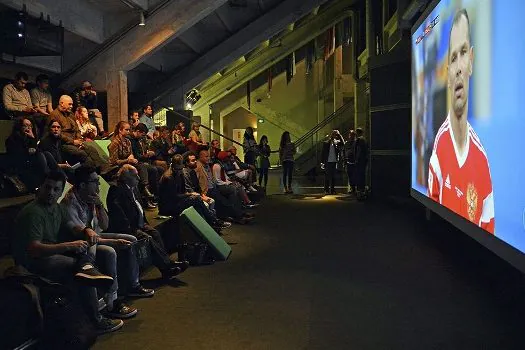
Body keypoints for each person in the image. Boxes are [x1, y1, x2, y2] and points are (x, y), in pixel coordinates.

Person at [11, 171, 124, 334]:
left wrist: (86, 230)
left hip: (51, 253)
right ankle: (96, 320)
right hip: (31, 262)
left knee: (99, 254)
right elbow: (34, 249)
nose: (51, 192)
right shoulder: (33, 212)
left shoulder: (57, 208)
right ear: (39, 188)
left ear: (61, 191)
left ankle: (110, 301)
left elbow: (72, 226)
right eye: (47, 187)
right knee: (80, 271)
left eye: (56, 189)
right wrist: (69, 245)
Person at [427, 9, 494, 233]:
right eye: (453, 57)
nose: (458, 68)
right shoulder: (438, 149)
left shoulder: (482, 162)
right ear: (447, 73)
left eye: (463, 52)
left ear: (472, 61)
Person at [61, 166, 153, 319]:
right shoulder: (70, 203)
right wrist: (113, 241)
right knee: (110, 251)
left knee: (131, 239)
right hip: (81, 244)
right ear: (83, 185)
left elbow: (104, 225)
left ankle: (133, 285)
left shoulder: (90, 199)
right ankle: (112, 301)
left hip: (96, 238)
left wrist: (99, 205)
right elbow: (88, 237)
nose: (98, 185)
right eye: (95, 182)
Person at [106, 164, 189, 279]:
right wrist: (132, 228)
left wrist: (144, 223)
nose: (139, 178)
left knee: (155, 233)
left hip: (139, 223)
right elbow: (118, 213)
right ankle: (167, 266)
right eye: (135, 176)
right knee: (147, 238)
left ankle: (166, 266)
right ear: (125, 177)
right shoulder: (116, 189)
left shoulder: (133, 187)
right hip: (127, 227)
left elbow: (138, 206)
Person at [159, 154, 228, 229]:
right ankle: (213, 222)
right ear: (172, 166)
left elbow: (182, 191)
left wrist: (190, 195)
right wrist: (190, 194)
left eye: (180, 169)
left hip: (177, 200)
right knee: (196, 200)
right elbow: (173, 197)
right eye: (177, 169)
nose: (179, 171)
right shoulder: (168, 177)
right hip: (168, 206)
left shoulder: (180, 172)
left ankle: (210, 225)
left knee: (197, 203)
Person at [49, 95, 110, 172]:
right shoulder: (54, 115)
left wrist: (79, 140)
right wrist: (73, 142)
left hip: (76, 141)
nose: (71, 106)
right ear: (61, 103)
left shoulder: (71, 115)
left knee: (92, 149)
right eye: (69, 104)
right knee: (82, 154)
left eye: (72, 104)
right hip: (64, 144)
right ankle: (97, 171)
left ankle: (106, 169)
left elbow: (77, 130)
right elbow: (56, 133)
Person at [195, 148, 253, 224]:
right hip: (207, 190)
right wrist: (201, 193)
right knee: (228, 197)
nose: (208, 158)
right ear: (200, 157)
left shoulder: (208, 165)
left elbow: (215, 179)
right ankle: (238, 216)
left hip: (213, 187)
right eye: (206, 156)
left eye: (208, 156)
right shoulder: (199, 167)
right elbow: (197, 181)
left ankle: (238, 214)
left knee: (233, 192)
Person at [108, 121, 157, 208]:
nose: (128, 132)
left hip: (129, 163)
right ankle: (145, 192)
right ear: (120, 130)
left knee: (152, 169)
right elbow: (113, 161)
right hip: (118, 166)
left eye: (129, 130)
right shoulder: (114, 143)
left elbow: (131, 154)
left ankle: (149, 193)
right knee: (141, 167)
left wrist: (131, 158)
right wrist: (128, 160)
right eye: (126, 130)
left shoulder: (127, 141)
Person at [5, 117, 59, 190]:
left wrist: (32, 139)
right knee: (40, 155)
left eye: (30, 126)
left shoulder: (28, 138)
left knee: (46, 154)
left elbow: (35, 150)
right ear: (20, 127)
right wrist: (33, 139)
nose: (28, 128)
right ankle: (49, 177)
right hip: (21, 165)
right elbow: (27, 153)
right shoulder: (13, 139)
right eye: (25, 126)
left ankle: (60, 177)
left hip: (30, 161)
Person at [182, 151, 231, 230]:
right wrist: (201, 196)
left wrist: (202, 195)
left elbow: (197, 187)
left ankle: (213, 224)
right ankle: (213, 222)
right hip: (189, 196)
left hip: (198, 193)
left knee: (212, 200)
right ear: (186, 163)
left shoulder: (192, 171)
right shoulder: (185, 173)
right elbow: (188, 189)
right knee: (207, 202)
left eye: (195, 160)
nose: (195, 162)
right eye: (193, 161)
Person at [321, 130, 345, 194]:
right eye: (334, 134)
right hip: (328, 161)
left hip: (334, 161)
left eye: (335, 135)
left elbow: (343, 143)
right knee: (327, 176)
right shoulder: (326, 143)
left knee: (333, 176)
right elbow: (323, 153)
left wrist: (339, 135)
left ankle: (332, 190)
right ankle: (326, 190)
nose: (334, 136)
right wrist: (322, 162)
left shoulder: (336, 142)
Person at [354, 128, 368, 200]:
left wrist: (356, 159)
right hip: (364, 160)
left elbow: (358, 150)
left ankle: (360, 192)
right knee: (363, 175)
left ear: (358, 133)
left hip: (360, 161)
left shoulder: (359, 140)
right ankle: (362, 191)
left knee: (359, 175)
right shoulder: (364, 140)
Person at [344, 130, 357, 194]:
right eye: (350, 135)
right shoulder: (347, 143)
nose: (351, 136)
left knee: (354, 175)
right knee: (350, 175)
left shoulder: (356, 143)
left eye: (352, 135)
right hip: (349, 161)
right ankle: (353, 188)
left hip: (355, 162)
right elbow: (345, 152)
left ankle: (355, 188)